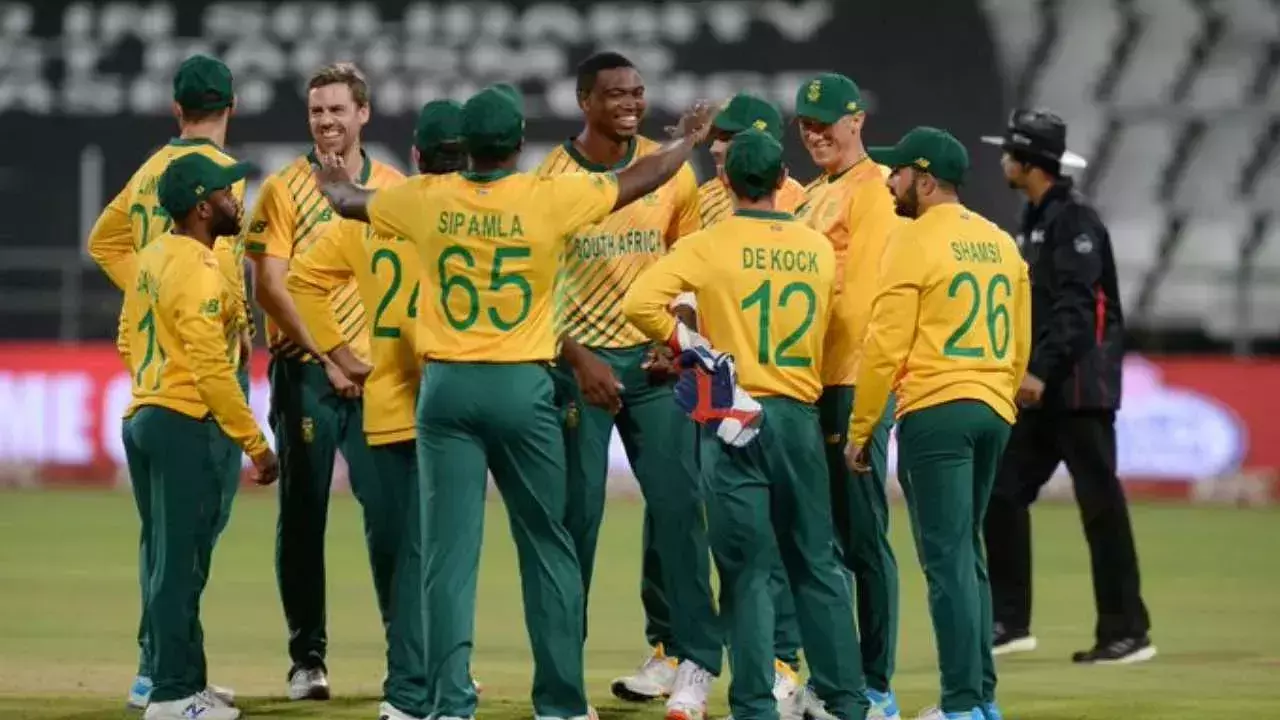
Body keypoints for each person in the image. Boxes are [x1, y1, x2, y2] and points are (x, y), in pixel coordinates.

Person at [314, 84, 716, 720]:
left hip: (447, 391)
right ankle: (561, 704)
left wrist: (331, 172)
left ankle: (450, 703)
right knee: (548, 545)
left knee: (447, 557)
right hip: (521, 386)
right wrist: (686, 141)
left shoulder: (425, 198)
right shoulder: (546, 196)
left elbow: (345, 201)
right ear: (519, 142)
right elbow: (640, 178)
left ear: (467, 146)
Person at [623, 128, 868, 720]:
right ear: (782, 180)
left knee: (745, 571)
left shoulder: (709, 244)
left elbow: (638, 303)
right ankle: (844, 700)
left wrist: (694, 348)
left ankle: (754, 704)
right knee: (816, 563)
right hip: (798, 415)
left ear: (727, 181)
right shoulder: (814, 247)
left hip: (732, 413)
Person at [534, 51, 720, 714]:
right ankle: (563, 684)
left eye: (638, 92)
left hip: (654, 367)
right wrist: (577, 358)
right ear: (584, 101)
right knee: (574, 526)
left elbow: (688, 267)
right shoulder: (551, 179)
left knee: (681, 514)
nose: (631, 103)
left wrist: (679, 340)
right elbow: (532, 291)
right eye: (615, 94)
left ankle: (695, 663)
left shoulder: (674, 173)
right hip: (577, 373)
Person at [286, 100, 466, 720]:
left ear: (415, 156)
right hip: (458, 401)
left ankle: (409, 687)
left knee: (402, 557)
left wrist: (338, 352)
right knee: (449, 556)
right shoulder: (479, 217)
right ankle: (443, 683)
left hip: (387, 402)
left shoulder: (377, 212)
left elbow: (302, 280)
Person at [846, 127, 1030, 720]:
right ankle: (982, 699)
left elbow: (883, 346)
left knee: (947, 561)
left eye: (898, 173)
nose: (889, 182)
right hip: (992, 408)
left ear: (924, 181)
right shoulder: (1000, 242)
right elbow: (1021, 341)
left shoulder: (912, 240)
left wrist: (862, 428)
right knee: (967, 555)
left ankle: (960, 705)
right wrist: (999, 397)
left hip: (936, 409)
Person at [85, 53, 250, 711]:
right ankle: (167, 675)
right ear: (231, 106)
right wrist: (209, 309)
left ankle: (165, 666)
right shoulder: (219, 179)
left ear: (177, 109)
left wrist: (149, 295)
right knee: (189, 536)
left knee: (165, 537)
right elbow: (215, 267)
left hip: (155, 371)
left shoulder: (148, 172)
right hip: (201, 374)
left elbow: (105, 243)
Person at [243, 62, 404, 701]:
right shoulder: (284, 190)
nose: (326, 121)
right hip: (306, 373)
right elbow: (270, 287)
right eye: (317, 111)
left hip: (379, 378)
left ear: (363, 113)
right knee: (304, 518)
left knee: (393, 519)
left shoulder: (393, 187)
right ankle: (306, 660)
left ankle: (410, 656)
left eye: (337, 109)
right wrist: (331, 357)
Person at [979, 109, 1153, 664]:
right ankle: (1009, 621)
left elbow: (1080, 311)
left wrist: (1040, 369)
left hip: (1079, 389)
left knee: (1100, 505)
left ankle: (1126, 631)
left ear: (1029, 162)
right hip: (1047, 387)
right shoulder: (1037, 216)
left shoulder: (1074, 220)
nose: (1003, 159)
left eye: (1010, 152)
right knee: (1002, 492)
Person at [120, 152, 280, 720]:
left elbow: (126, 337)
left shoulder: (151, 256)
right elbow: (212, 369)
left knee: (171, 560)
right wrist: (256, 444)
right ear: (202, 208)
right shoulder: (201, 267)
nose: (236, 200)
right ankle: (170, 696)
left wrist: (154, 383)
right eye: (225, 193)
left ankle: (187, 681)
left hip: (144, 414)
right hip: (181, 423)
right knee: (179, 566)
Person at [684, 90, 813, 706]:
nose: (717, 148)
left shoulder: (799, 204)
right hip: (714, 383)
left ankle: (781, 662)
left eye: (729, 139)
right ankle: (734, 661)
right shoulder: (706, 200)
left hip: (768, 385)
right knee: (734, 536)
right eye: (716, 138)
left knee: (779, 541)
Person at [792, 72, 903, 720]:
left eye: (826, 123)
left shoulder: (874, 189)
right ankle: (835, 676)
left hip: (851, 379)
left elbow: (862, 297)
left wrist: (864, 399)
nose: (815, 135)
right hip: (813, 382)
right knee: (824, 541)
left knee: (862, 538)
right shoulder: (813, 194)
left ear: (856, 120)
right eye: (806, 125)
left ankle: (875, 682)